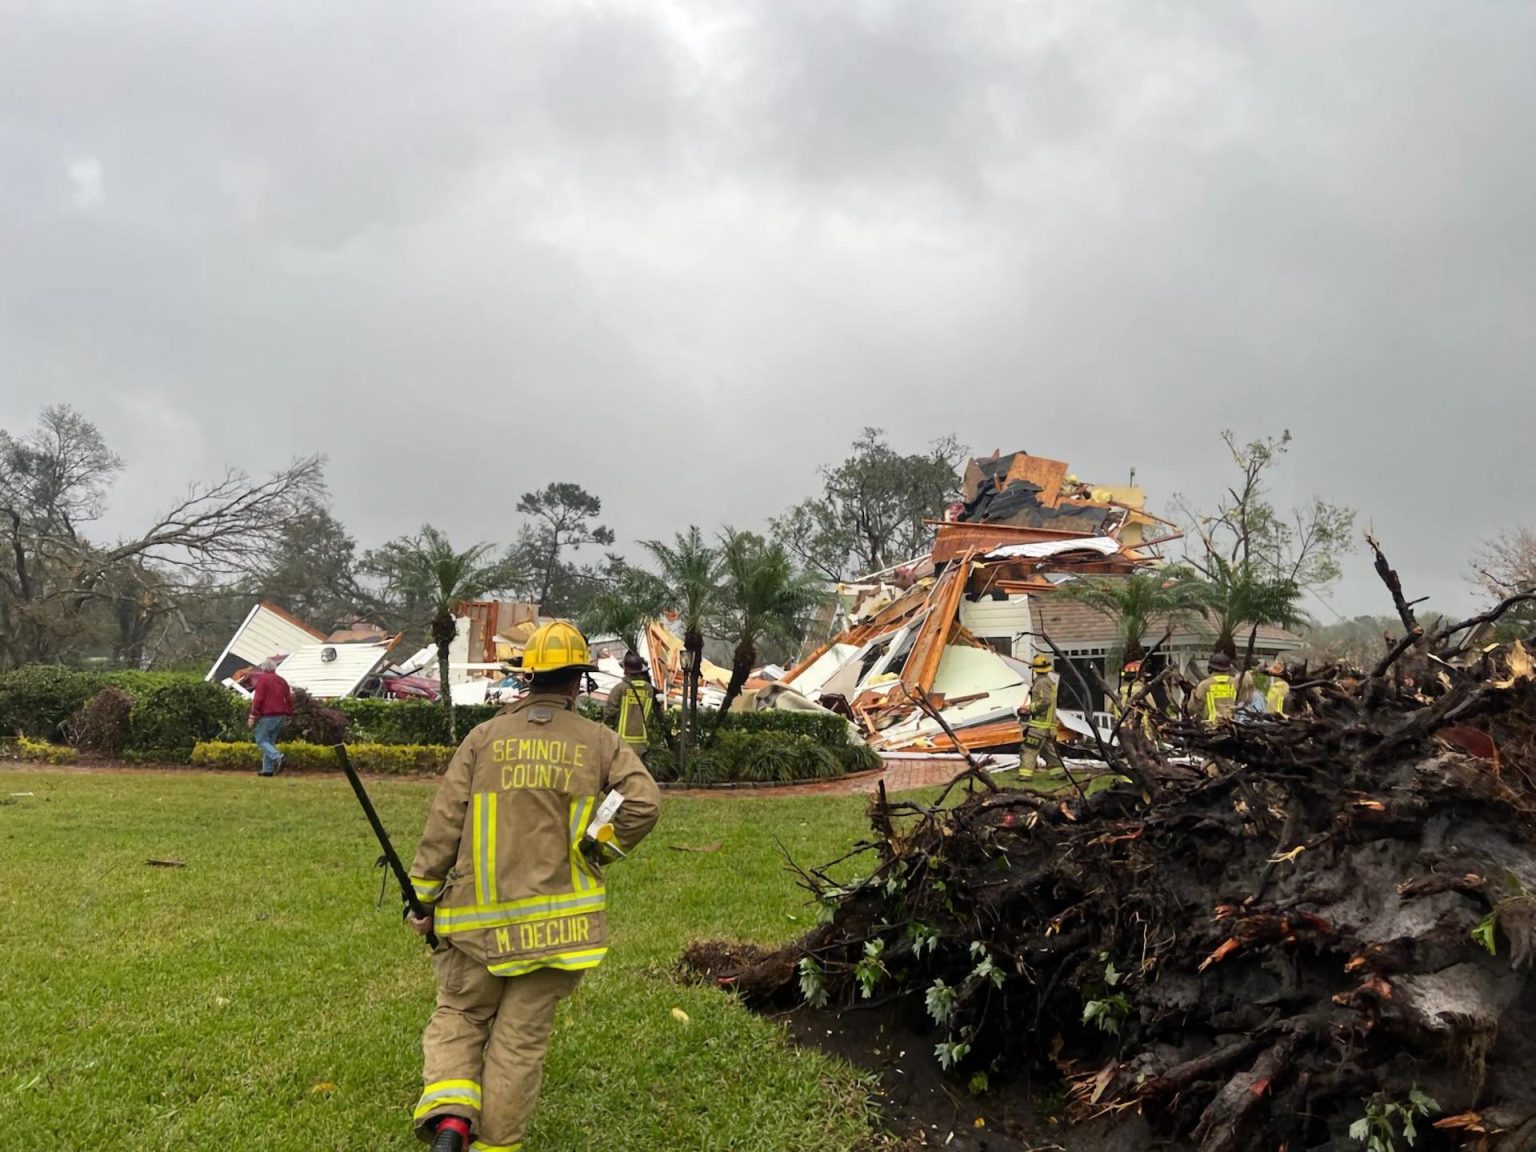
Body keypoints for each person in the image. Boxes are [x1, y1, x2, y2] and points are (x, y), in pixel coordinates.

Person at [405, 620, 661, 1152]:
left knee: (460, 1013)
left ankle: (451, 1120)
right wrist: (597, 848)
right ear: (576, 684)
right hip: (557, 933)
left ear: (526, 678)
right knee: (519, 1043)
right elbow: (643, 802)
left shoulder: (483, 738)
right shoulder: (599, 742)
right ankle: (497, 1146)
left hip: (475, 926)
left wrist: (424, 898)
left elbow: (443, 825)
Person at [603, 651, 660, 755]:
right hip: (642, 744)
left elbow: (609, 714)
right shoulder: (649, 690)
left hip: (621, 743)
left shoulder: (619, 689)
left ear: (625, 670)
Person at [1016, 654, 1063, 776]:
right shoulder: (1049, 682)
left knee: (1028, 750)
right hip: (1048, 726)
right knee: (1048, 752)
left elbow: (1045, 701)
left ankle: (1024, 776)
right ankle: (1059, 773)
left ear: (1035, 670)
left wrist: (1030, 708)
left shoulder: (1041, 683)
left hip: (1039, 726)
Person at [247, 658, 293, 777]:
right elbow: (288, 698)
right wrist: (289, 714)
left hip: (269, 715)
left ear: (263, 668)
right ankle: (267, 770)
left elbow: (258, 699)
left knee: (261, 739)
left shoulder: (263, 680)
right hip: (281, 715)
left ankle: (278, 757)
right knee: (269, 742)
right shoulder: (282, 680)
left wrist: (253, 715)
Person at [1190, 652, 1239, 725]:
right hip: (1232, 727)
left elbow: (1192, 709)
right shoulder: (1236, 683)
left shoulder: (1204, 685)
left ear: (1210, 669)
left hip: (1210, 729)